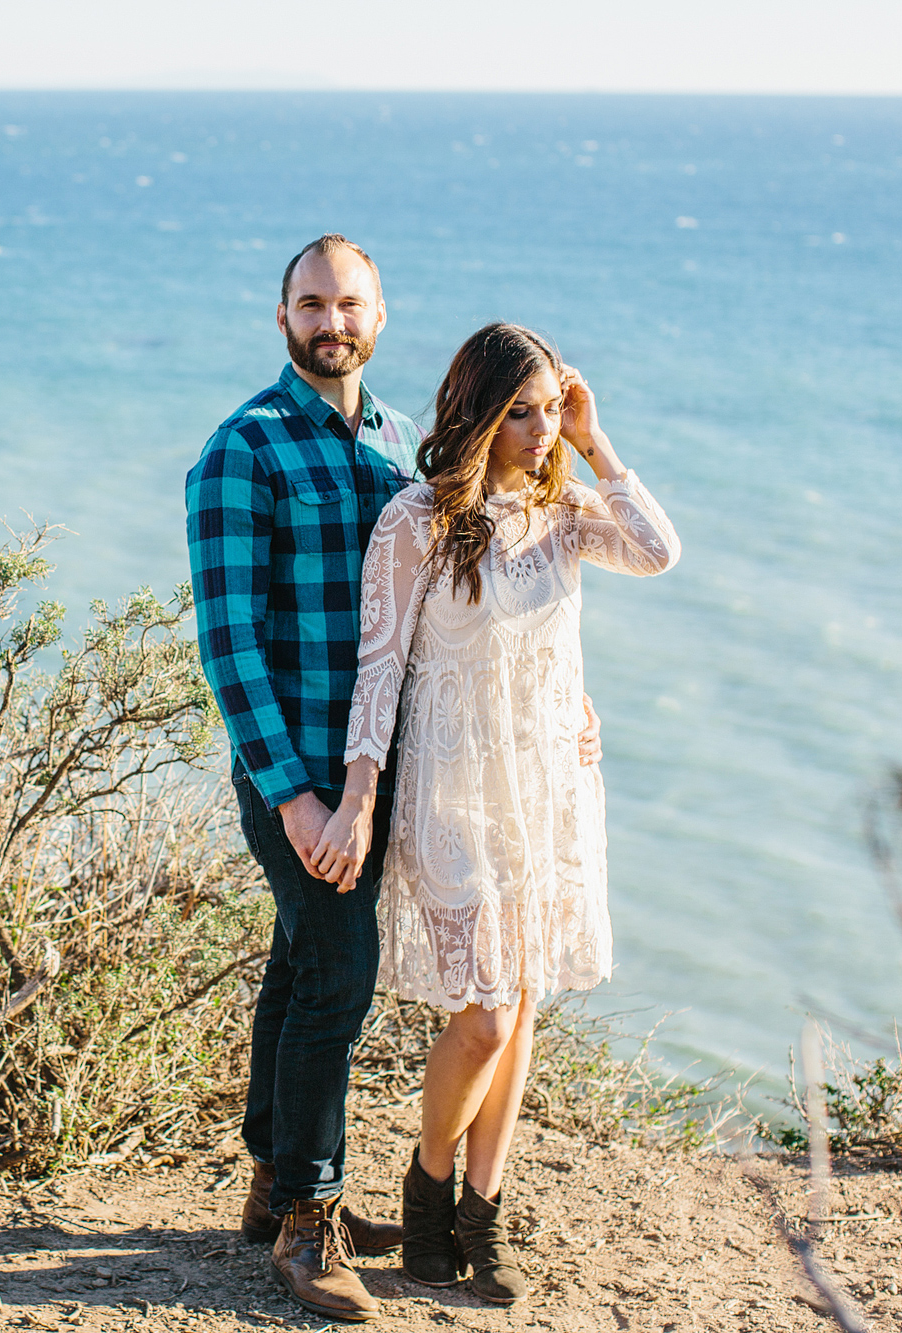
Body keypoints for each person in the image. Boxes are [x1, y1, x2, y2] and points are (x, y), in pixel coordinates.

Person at [188, 237, 604, 1322]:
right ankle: (306, 1222)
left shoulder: (389, 447)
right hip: (303, 771)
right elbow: (230, 646)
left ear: (379, 316)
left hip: (392, 764)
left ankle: (272, 1179)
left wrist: (564, 699)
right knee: (336, 968)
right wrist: (297, 795)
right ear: (279, 315)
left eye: (350, 303)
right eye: (311, 302)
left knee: (299, 960)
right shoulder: (243, 449)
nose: (332, 320)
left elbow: (443, 613)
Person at [313, 323, 681, 1305]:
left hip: (546, 790)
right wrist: (355, 801)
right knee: (478, 1015)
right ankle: (425, 1184)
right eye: (517, 410)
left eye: (548, 408)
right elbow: (377, 674)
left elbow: (655, 550)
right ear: (473, 411)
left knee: (519, 1002)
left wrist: (596, 443)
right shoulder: (412, 522)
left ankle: (478, 1210)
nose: (535, 428)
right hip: (450, 792)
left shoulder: (562, 509)